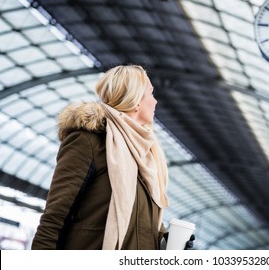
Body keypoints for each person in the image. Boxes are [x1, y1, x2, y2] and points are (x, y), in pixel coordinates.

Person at [32, 65, 193, 250]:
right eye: (151, 94)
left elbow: (137, 222)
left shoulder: (146, 155)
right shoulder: (89, 142)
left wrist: (164, 239)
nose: (155, 101)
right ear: (136, 101)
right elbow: (55, 217)